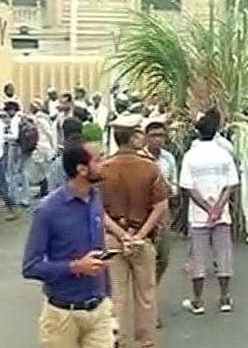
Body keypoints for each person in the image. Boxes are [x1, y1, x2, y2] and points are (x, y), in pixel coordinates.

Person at [22, 138, 114, 348]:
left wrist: (109, 300)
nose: (105, 163)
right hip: (62, 316)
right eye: (99, 160)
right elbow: (30, 267)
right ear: (82, 169)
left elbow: (100, 251)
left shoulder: (96, 199)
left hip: (99, 312)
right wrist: (75, 267)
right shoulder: (48, 210)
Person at [101, 114, 168, 348]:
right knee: (146, 296)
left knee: (115, 296)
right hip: (142, 237)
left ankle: (115, 340)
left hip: (113, 238)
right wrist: (138, 236)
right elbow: (161, 205)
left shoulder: (103, 168)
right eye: (139, 133)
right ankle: (145, 343)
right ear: (132, 139)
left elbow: (98, 212)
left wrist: (121, 235)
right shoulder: (150, 167)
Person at [179, 111, 239, 315]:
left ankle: (198, 300)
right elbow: (230, 185)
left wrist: (206, 208)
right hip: (222, 215)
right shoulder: (224, 154)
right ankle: (224, 298)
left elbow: (188, 187)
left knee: (198, 258)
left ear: (197, 132)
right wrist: (218, 208)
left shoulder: (190, 156)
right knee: (224, 256)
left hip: (198, 216)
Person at [142, 120, 178, 324]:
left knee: (163, 258)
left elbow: (175, 184)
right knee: (147, 259)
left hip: (163, 213)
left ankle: (150, 289)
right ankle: (149, 308)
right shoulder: (140, 159)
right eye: (154, 135)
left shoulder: (168, 159)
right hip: (143, 215)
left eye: (161, 136)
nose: (158, 139)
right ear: (147, 137)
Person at [29, 99, 57, 198]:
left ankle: (47, 191)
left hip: (45, 148)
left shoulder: (41, 119)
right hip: (38, 147)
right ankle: (43, 190)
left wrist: (54, 147)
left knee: (46, 171)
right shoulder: (34, 118)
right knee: (39, 171)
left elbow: (50, 133)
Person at [4, 99, 30, 208]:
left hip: (15, 147)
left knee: (13, 173)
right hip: (23, 147)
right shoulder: (23, 117)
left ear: (12, 110)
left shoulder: (15, 120)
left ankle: (14, 197)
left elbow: (15, 136)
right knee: (23, 172)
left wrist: (2, 135)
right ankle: (25, 197)